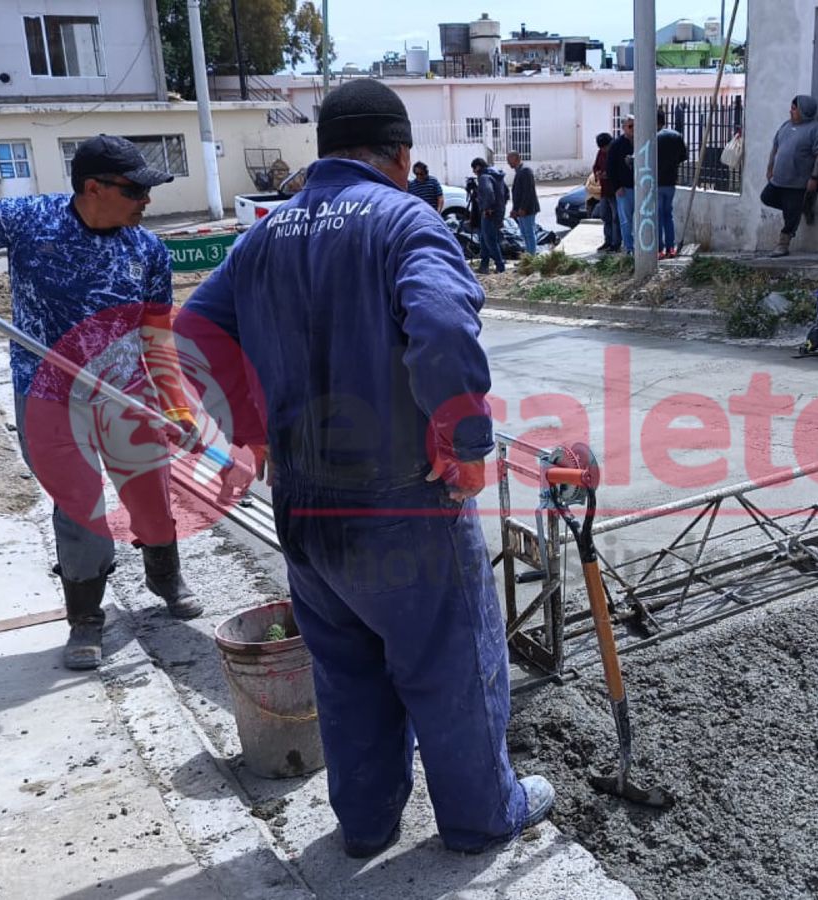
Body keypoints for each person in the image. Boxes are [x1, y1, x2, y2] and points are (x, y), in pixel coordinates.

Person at [177, 79, 553, 858]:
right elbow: (444, 324)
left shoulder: (264, 236)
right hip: (403, 504)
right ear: (401, 154)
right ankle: (483, 814)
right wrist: (464, 443)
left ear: (322, 154)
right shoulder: (405, 217)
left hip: (307, 506)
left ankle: (367, 822)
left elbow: (193, 331)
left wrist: (256, 436)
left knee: (348, 674)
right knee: (451, 666)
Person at [0, 135, 203, 670]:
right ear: (94, 187)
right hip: (47, 396)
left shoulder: (148, 249)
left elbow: (156, 337)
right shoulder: (27, 219)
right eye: (136, 189)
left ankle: (165, 576)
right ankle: (87, 617)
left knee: (151, 493)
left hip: (126, 394)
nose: (147, 201)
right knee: (78, 505)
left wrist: (177, 407)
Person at [760, 94, 818, 258]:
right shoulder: (786, 126)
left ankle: (783, 244)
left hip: (797, 182)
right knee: (766, 197)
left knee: (791, 216)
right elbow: (775, 148)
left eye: (794, 108)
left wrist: (814, 177)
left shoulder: (815, 129)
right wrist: (770, 168)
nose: (791, 111)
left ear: (804, 111)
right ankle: (799, 208)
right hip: (779, 179)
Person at [655, 111, 688, 258]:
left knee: (658, 216)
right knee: (668, 215)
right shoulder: (676, 136)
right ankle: (671, 248)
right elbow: (683, 156)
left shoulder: (653, 136)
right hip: (671, 182)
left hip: (655, 182)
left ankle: (659, 249)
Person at [470, 157, 508, 274]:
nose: (474, 172)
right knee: (484, 239)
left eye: (474, 169)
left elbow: (489, 192)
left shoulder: (484, 177)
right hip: (498, 211)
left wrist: (487, 208)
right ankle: (484, 264)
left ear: (478, 167)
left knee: (490, 240)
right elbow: (506, 193)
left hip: (489, 213)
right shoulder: (497, 176)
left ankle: (500, 266)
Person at [606, 116, 636, 253]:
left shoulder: (640, 142)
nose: (633, 129)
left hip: (640, 187)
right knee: (626, 220)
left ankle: (639, 247)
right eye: (630, 126)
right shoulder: (616, 145)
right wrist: (617, 187)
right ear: (623, 128)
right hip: (624, 189)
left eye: (635, 125)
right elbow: (610, 168)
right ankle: (629, 248)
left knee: (640, 219)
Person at [506, 151, 540, 256]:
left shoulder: (525, 171)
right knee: (524, 234)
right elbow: (518, 194)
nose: (508, 162)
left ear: (516, 158)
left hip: (527, 209)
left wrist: (523, 208)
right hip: (521, 210)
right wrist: (514, 209)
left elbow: (528, 192)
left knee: (529, 233)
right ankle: (529, 255)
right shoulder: (519, 171)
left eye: (509, 160)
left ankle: (532, 256)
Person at [592, 132, 621, 252]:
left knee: (616, 218)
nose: (604, 150)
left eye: (605, 147)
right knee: (605, 216)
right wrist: (598, 173)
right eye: (601, 148)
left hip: (615, 190)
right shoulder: (601, 153)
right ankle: (607, 240)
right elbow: (596, 166)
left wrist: (608, 175)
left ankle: (616, 243)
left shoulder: (616, 151)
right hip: (604, 190)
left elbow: (619, 169)